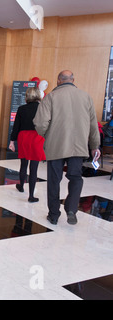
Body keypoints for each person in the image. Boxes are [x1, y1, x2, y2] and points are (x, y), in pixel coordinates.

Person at [33, 70, 100, 225]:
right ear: (73, 80)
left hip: (56, 145)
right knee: (76, 177)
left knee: (54, 180)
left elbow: (40, 123)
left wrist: (48, 135)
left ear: (58, 81)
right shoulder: (86, 97)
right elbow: (93, 126)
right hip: (78, 146)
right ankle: (71, 209)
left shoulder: (50, 97)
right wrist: (94, 145)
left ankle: (54, 215)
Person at [9, 87, 45, 203]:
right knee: (34, 168)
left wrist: (12, 141)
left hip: (23, 137)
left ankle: (21, 186)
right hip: (37, 137)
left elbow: (16, 127)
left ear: (27, 96)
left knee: (23, 164)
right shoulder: (42, 108)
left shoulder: (21, 109)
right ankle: (31, 196)